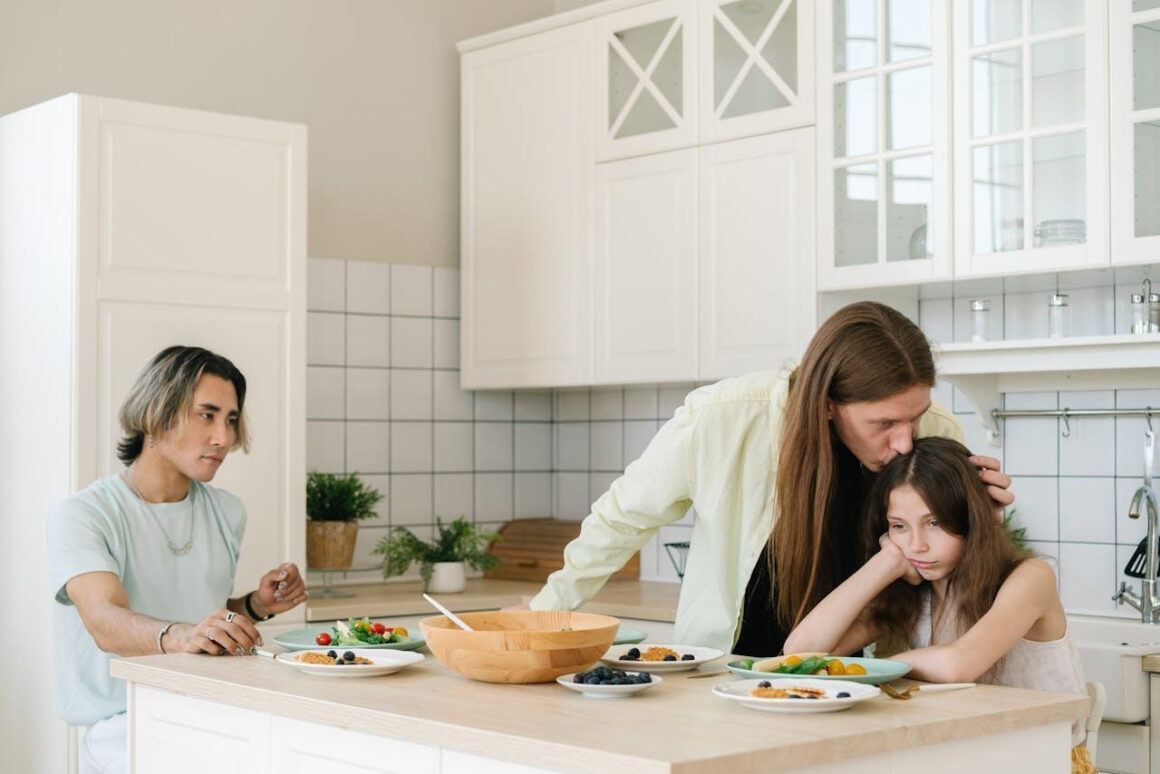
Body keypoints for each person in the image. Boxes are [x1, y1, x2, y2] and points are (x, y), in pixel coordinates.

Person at [527, 301, 1014, 655]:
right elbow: (621, 519)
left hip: (866, 681)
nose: (907, 441)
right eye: (884, 424)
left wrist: (976, 523)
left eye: (916, 415)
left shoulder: (937, 432)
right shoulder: (723, 418)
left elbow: (950, 575)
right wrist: (541, 617)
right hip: (730, 672)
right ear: (827, 404)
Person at [47, 346, 309, 774]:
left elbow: (200, 619)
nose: (223, 438)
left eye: (230, 419)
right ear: (156, 413)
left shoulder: (227, 512)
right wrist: (182, 636)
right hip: (123, 722)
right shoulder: (83, 515)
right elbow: (104, 620)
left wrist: (255, 606)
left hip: (212, 704)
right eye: (206, 415)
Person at [782, 437, 1094, 773]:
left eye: (934, 523)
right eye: (899, 526)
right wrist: (886, 561)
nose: (917, 545)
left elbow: (956, 665)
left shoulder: (1030, 577)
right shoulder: (912, 592)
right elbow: (800, 652)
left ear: (970, 519)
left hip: (1041, 762)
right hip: (958, 758)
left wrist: (871, 671)